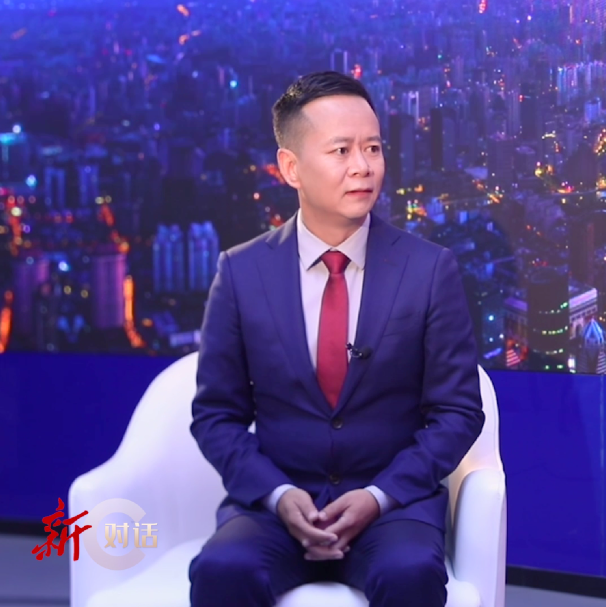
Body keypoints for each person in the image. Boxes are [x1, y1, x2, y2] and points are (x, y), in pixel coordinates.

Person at [188, 71, 485, 607]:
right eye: (342, 150)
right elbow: (215, 415)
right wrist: (279, 495)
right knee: (221, 570)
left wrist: (377, 495)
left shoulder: (428, 269)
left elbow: (458, 411)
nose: (363, 166)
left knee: (410, 575)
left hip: (392, 506)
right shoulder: (241, 272)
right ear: (290, 168)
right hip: (278, 508)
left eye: (373, 148)